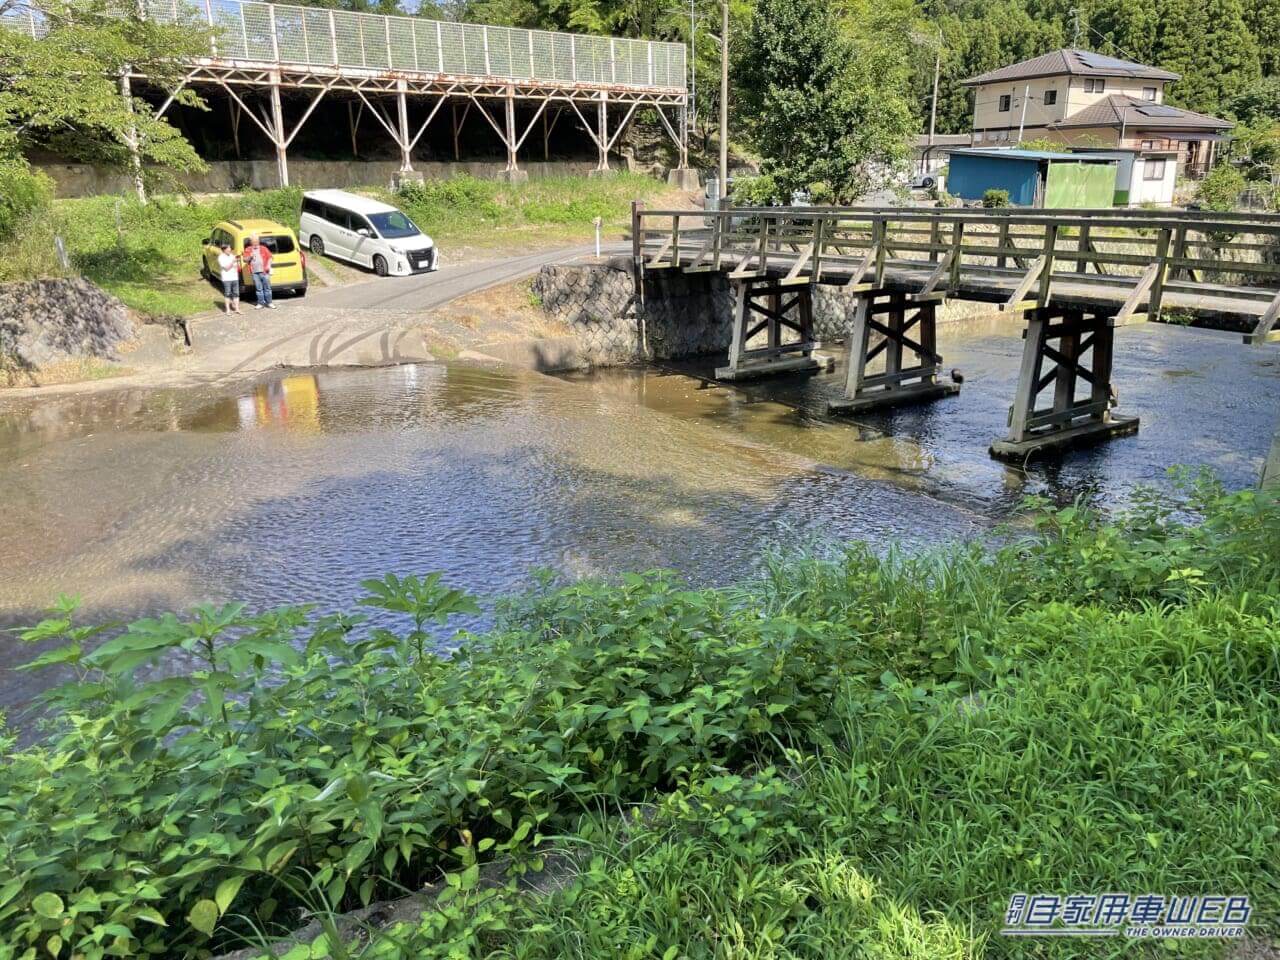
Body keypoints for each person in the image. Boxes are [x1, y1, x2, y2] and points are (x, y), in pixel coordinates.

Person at [244, 234, 275, 310]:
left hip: (264, 271)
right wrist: (250, 257)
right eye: (254, 241)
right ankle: (260, 303)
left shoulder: (263, 248)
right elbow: (245, 260)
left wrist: (268, 265)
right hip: (255, 272)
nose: (255, 243)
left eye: (256, 241)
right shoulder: (248, 249)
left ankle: (269, 303)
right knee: (259, 289)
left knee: (267, 288)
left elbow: (270, 257)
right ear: (251, 242)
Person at [217, 242, 241, 314]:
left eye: (230, 248)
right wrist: (233, 262)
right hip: (227, 278)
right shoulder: (221, 257)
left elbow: (237, 267)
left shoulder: (232, 256)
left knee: (236, 293)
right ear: (224, 249)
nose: (230, 249)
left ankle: (237, 309)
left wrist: (238, 262)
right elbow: (226, 268)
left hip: (235, 277)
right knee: (227, 294)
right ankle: (228, 310)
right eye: (229, 248)